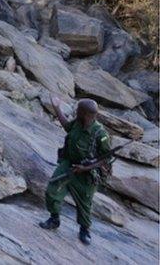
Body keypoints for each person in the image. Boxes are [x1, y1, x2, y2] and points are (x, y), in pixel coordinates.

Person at [40, 97, 110, 246]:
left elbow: (105, 159)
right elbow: (66, 126)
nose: (76, 112)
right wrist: (57, 107)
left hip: (87, 173)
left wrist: (85, 168)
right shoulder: (77, 123)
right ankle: (54, 219)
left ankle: (84, 230)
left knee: (85, 203)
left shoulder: (101, 134)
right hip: (69, 164)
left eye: (78, 110)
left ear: (84, 113)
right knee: (52, 189)